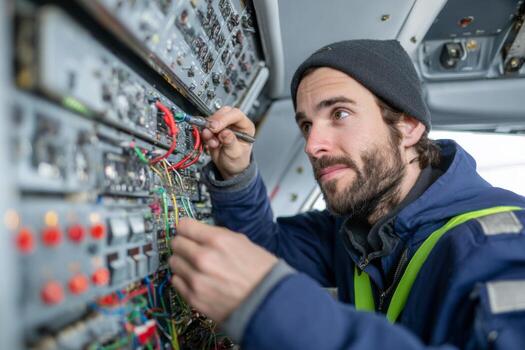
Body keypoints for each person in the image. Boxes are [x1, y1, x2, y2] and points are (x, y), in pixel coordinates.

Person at [168, 40, 525, 349]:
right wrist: (237, 171)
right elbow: (264, 252)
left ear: (409, 125)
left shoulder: (504, 243)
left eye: (339, 113)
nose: (312, 145)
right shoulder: (353, 227)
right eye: (306, 124)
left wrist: (275, 308)